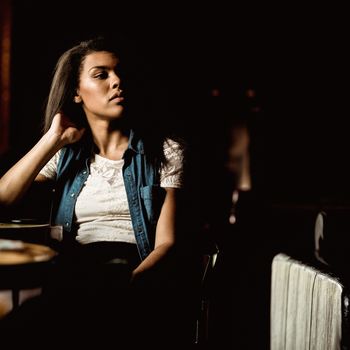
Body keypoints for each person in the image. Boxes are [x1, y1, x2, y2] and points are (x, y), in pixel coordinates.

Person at [0, 36, 197, 347]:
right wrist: (53, 139)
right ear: (77, 92)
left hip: (135, 274)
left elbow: (166, 244)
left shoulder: (165, 150)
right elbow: (4, 198)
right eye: (101, 74)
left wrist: (127, 287)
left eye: (120, 73)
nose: (117, 81)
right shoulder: (66, 153)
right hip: (74, 276)